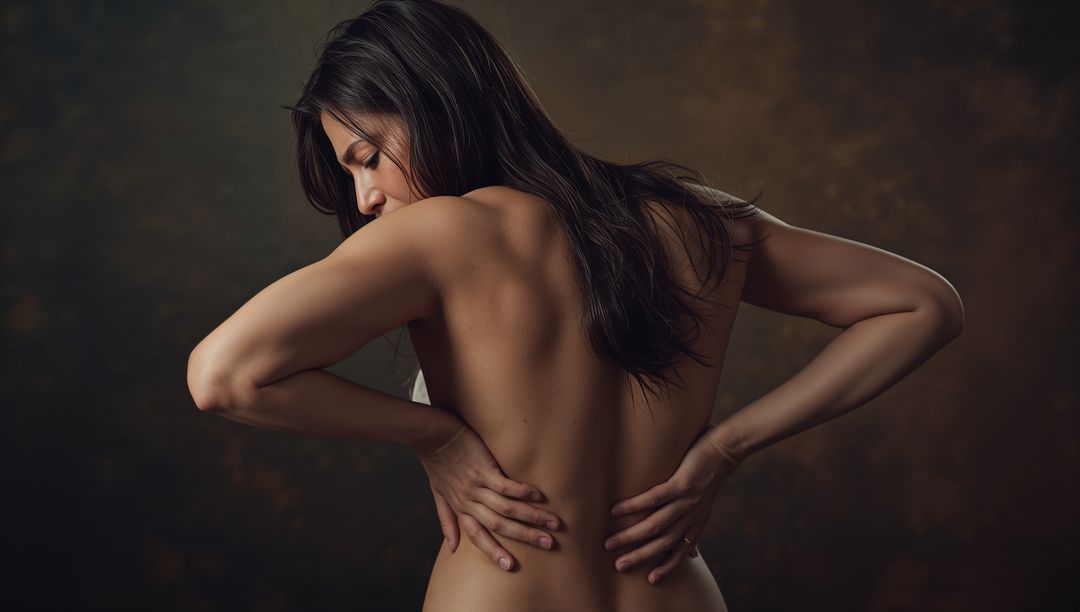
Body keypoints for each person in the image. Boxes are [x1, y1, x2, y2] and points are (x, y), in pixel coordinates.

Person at [185, 1, 965, 610]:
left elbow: (224, 376)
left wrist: (436, 437)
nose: (367, 195)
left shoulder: (441, 235)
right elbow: (923, 305)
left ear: (432, 104)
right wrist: (725, 449)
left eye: (367, 155)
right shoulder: (697, 218)